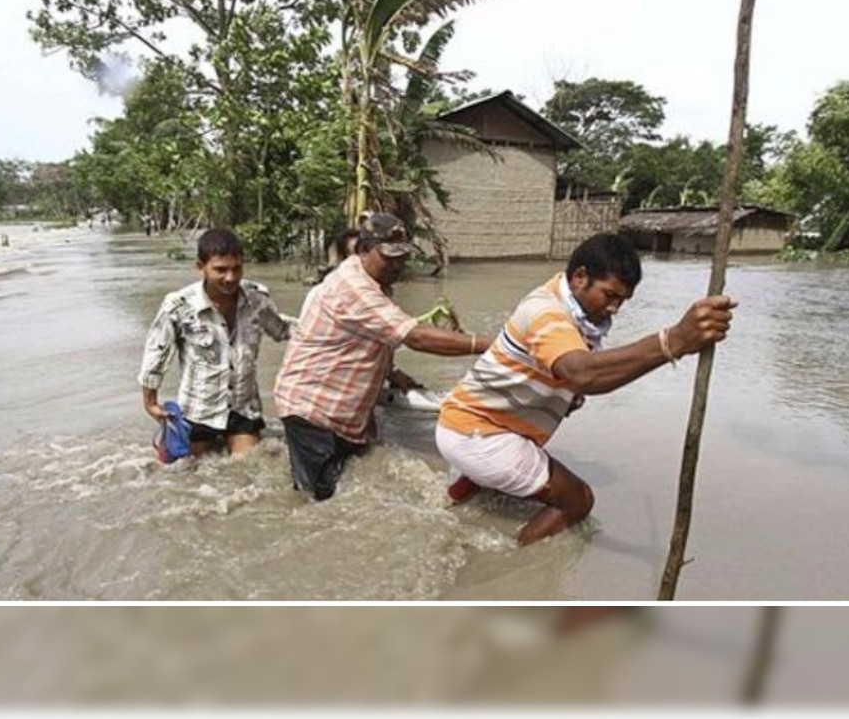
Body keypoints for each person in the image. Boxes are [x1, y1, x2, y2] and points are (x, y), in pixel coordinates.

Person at [436, 232, 737, 546]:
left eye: (622, 300)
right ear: (580, 277)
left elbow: (576, 373)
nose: (615, 309)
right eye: (610, 295)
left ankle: (459, 492)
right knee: (578, 501)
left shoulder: (568, 305)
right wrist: (672, 341)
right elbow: (582, 374)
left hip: (465, 420)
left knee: (516, 477)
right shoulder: (545, 312)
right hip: (478, 434)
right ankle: (511, 560)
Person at [273, 212, 493, 500]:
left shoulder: (374, 283)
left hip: (344, 413)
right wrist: (491, 343)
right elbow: (415, 337)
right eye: (389, 256)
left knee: (348, 490)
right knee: (318, 502)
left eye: (402, 257)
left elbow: (371, 335)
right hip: (313, 408)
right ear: (363, 249)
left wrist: (391, 372)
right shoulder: (353, 287)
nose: (398, 265)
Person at [138, 227, 290, 458]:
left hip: (243, 409)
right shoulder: (179, 306)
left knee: (247, 468)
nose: (230, 277)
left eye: (236, 268)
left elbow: (284, 330)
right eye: (220, 270)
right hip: (198, 410)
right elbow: (156, 352)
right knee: (185, 472)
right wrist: (150, 402)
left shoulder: (258, 300)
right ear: (201, 267)